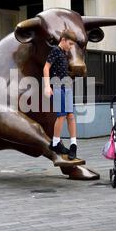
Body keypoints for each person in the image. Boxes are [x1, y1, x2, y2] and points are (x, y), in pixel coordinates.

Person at [43, 30, 78, 161]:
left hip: (67, 86)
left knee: (70, 115)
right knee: (62, 115)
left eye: (72, 44)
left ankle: (73, 145)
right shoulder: (55, 50)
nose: (71, 46)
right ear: (63, 39)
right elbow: (46, 68)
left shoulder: (64, 53)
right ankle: (56, 143)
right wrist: (47, 86)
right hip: (57, 87)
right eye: (69, 43)